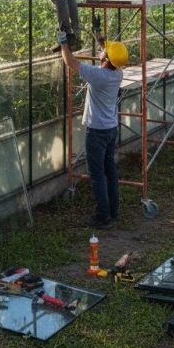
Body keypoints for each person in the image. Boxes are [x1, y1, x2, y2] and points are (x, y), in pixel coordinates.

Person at [59, 29, 128, 228]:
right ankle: (113, 210)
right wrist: (99, 37)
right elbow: (108, 54)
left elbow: (70, 62)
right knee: (110, 170)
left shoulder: (98, 75)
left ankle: (102, 215)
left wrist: (63, 42)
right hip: (111, 129)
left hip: (97, 132)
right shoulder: (117, 72)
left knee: (97, 174)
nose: (103, 52)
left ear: (106, 59)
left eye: (105, 52)